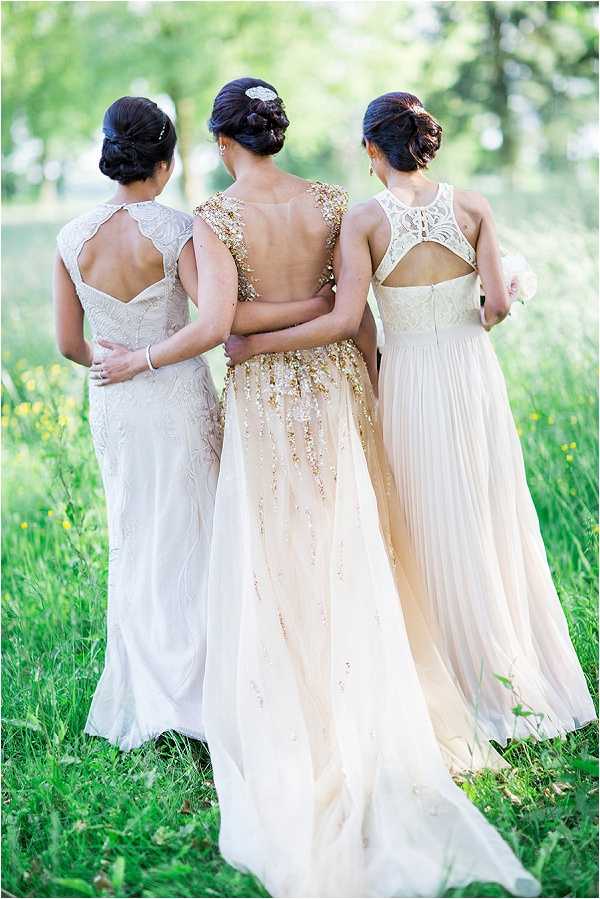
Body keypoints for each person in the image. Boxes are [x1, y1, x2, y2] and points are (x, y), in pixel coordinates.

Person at [189, 77, 538, 898]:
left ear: (221, 143)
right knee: (357, 531)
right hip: (346, 380)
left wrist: (257, 328)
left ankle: (310, 679)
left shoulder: (216, 218)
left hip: (273, 393)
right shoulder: (333, 200)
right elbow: (358, 316)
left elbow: (230, 321)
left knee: (283, 541)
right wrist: (360, 359)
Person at [229, 89, 596, 748]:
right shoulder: (472, 207)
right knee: (485, 513)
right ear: (426, 143)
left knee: (423, 520)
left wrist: (255, 344)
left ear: (373, 150)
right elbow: (496, 309)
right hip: (471, 373)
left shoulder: (366, 220)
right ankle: (509, 669)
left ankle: (447, 676)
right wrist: (499, 293)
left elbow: (345, 320)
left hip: (411, 381)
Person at [54, 96, 331, 751]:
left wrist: (115, 361)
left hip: (115, 405)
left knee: (137, 534)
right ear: (168, 162)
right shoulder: (177, 230)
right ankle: (206, 692)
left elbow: (70, 342)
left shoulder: (70, 236)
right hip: (175, 395)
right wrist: (315, 303)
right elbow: (214, 322)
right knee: (199, 533)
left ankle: (150, 694)